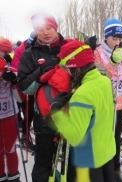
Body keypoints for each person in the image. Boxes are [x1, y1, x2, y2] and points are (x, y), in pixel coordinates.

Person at [50, 39, 116, 182]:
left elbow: (75, 137)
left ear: (74, 66)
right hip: (108, 152)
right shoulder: (104, 80)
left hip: (90, 161)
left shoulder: (81, 95)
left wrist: (56, 113)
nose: (67, 72)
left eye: (66, 68)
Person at [17, 13, 66, 182]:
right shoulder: (29, 54)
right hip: (45, 118)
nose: (45, 32)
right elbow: (25, 87)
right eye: (40, 29)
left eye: (48, 28)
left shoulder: (69, 47)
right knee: (43, 164)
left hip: (73, 114)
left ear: (55, 27)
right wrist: (41, 71)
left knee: (72, 163)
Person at [93, 18, 122, 181]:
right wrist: (111, 63)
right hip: (102, 105)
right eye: (114, 39)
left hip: (117, 105)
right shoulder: (97, 53)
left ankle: (115, 171)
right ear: (106, 37)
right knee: (103, 141)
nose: (117, 43)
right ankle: (101, 172)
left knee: (116, 141)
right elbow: (99, 78)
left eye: (120, 39)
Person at [0, 37, 25, 182]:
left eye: (4, 52)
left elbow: (20, 98)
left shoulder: (9, 69)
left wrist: (14, 82)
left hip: (9, 113)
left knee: (10, 147)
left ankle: (14, 176)